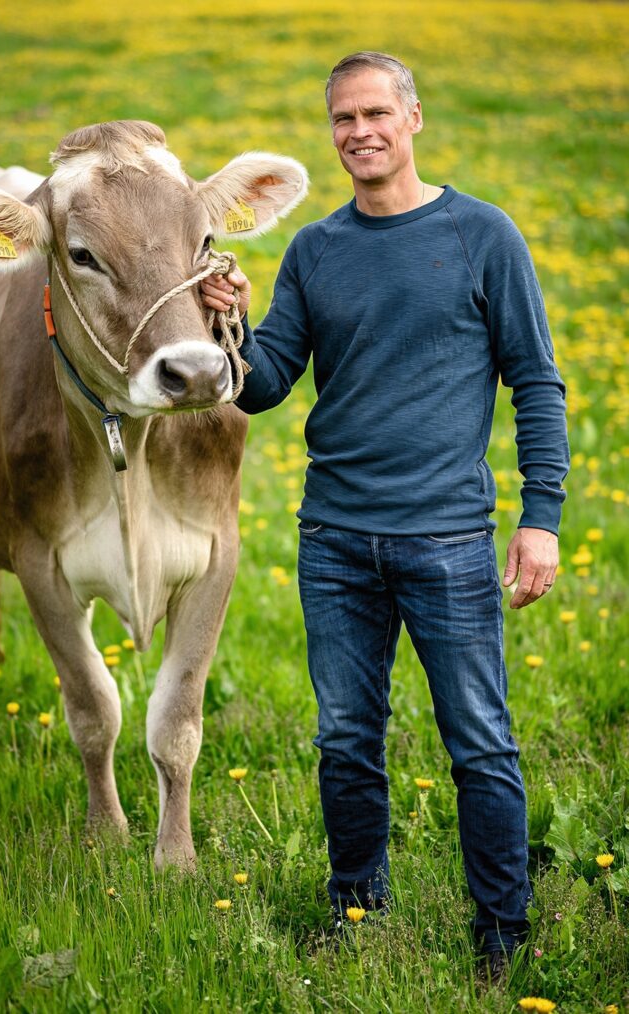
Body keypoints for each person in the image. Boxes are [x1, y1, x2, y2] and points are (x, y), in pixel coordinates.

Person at [202, 51, 569, 979]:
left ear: (413, 118)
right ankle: (358, 910)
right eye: (341, 119)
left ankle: (501, 936)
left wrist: (542, 517)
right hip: (334, 541)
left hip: (447, 539)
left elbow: (536, 383)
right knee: (345, 743)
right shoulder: (317, 250)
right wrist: (231, 323)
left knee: (479, 740)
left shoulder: (484, 235)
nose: (358, 132)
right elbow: (264, 388)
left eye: (374, 113)